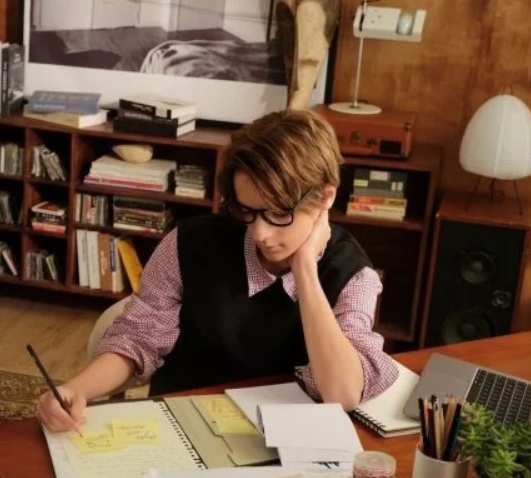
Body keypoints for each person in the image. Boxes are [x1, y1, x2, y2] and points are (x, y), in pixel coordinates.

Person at [37, 109, 399, 432]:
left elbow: (343, 392)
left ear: (326, 197)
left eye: (278, 214)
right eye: (246, 211)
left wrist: (304, 269)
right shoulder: (189, 244)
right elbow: (137, 339)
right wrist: (75, 390)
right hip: (182, 428)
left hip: (285, 445)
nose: (260, 233)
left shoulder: (352, 274)